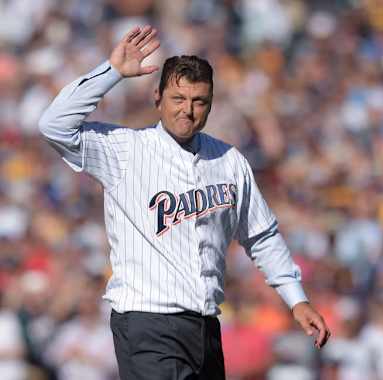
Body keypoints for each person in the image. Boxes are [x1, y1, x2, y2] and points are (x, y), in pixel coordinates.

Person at [38, 25, 330, 380]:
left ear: (210, 104)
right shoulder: (126, 150)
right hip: (147, 323)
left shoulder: (229, 160)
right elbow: (54, 125)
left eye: (198, 101)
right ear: (157, 97)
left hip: (206, 325)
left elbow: (261, 236)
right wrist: (112, 72)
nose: (187, 111)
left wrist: (296, 298)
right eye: (178, 99)